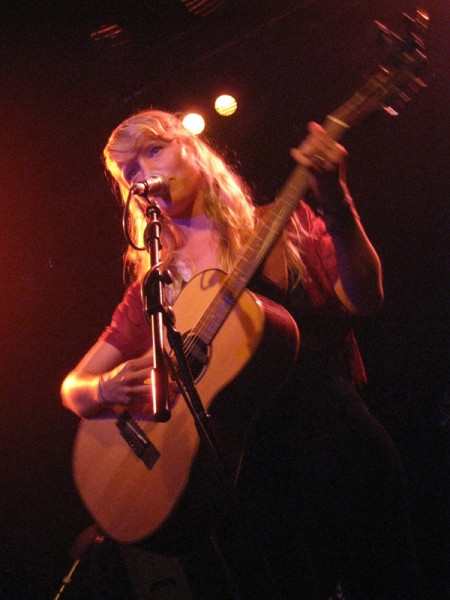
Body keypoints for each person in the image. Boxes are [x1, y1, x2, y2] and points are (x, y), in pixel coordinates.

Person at [61, 109, 417, 599]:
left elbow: (366, 299)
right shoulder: (156, 286)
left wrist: (336, 200)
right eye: (130, 171)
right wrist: (103, 386)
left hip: (335, 443)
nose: (144, 171)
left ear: (192, 148)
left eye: (153, 149)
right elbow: (73, 388)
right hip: (245, 484)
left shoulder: (282, 222)